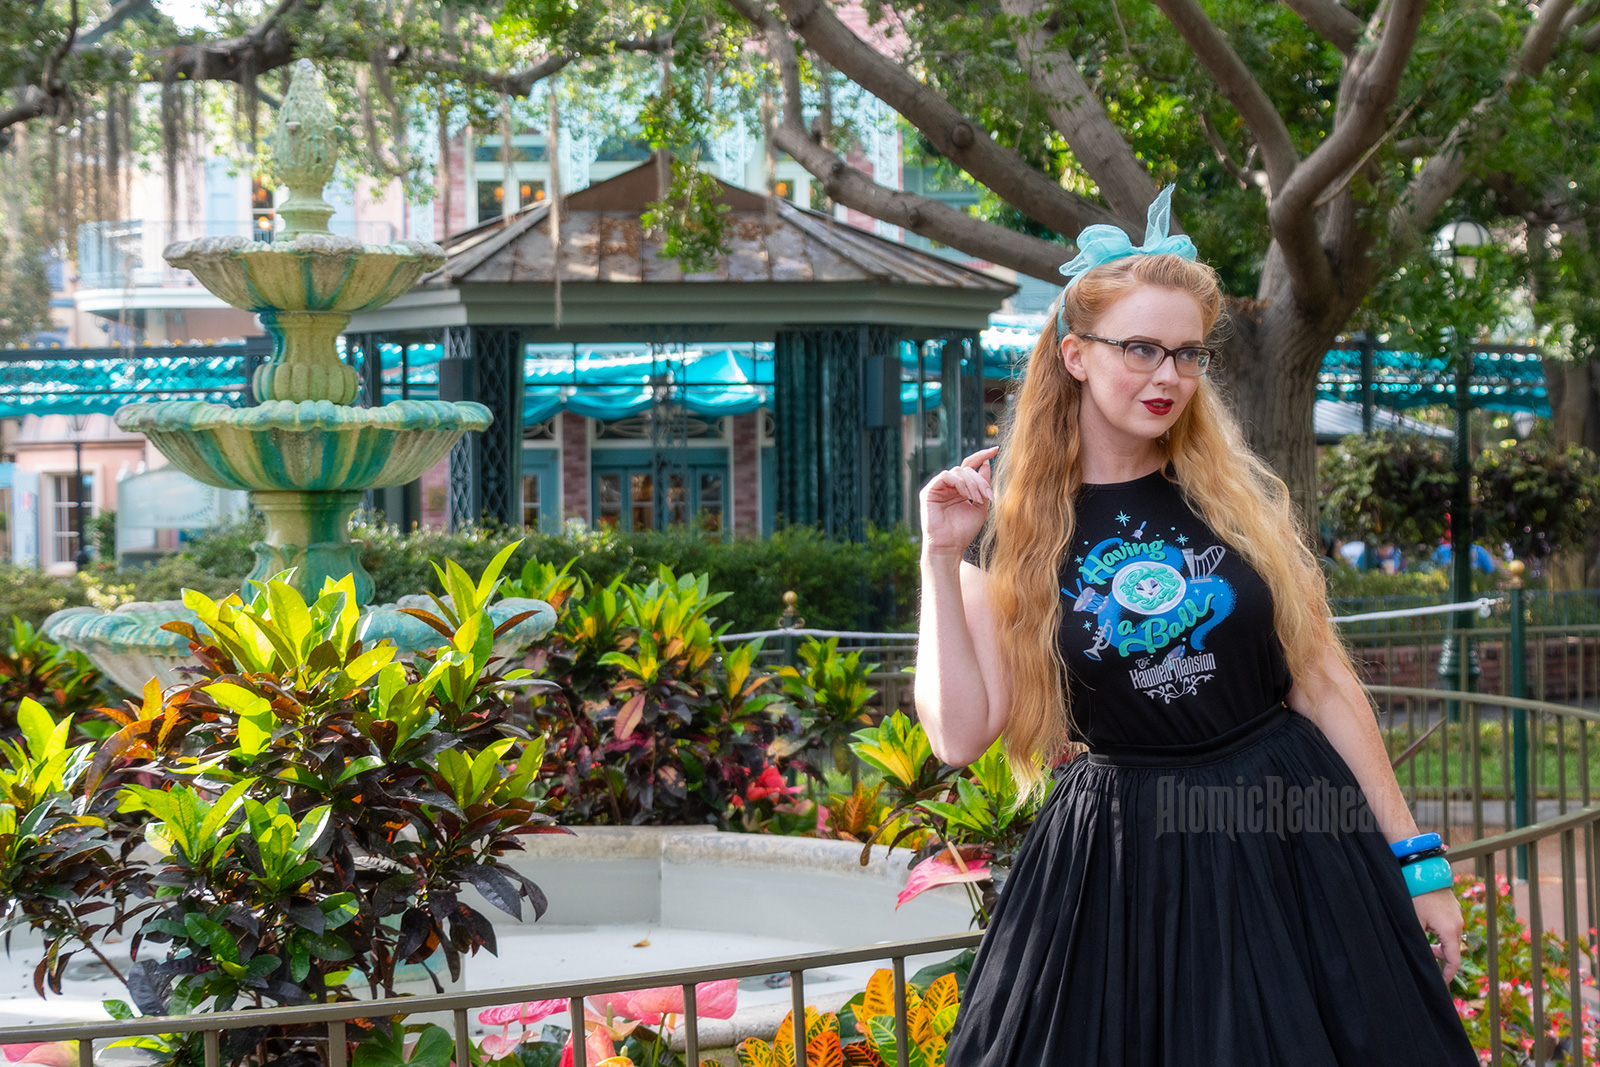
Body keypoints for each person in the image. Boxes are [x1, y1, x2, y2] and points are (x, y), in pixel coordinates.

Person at [917, 188, 1476, 1066]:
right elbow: (957, 733)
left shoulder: (1230, 501)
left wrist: (1419, 862)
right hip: (1122, 859)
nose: (1167, 375)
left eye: (1186, 353)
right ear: (1074, 353)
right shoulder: (1011, 531)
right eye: (1140, 348)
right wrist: (939, 559)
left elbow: (1323, 681)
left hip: (1288, 826)